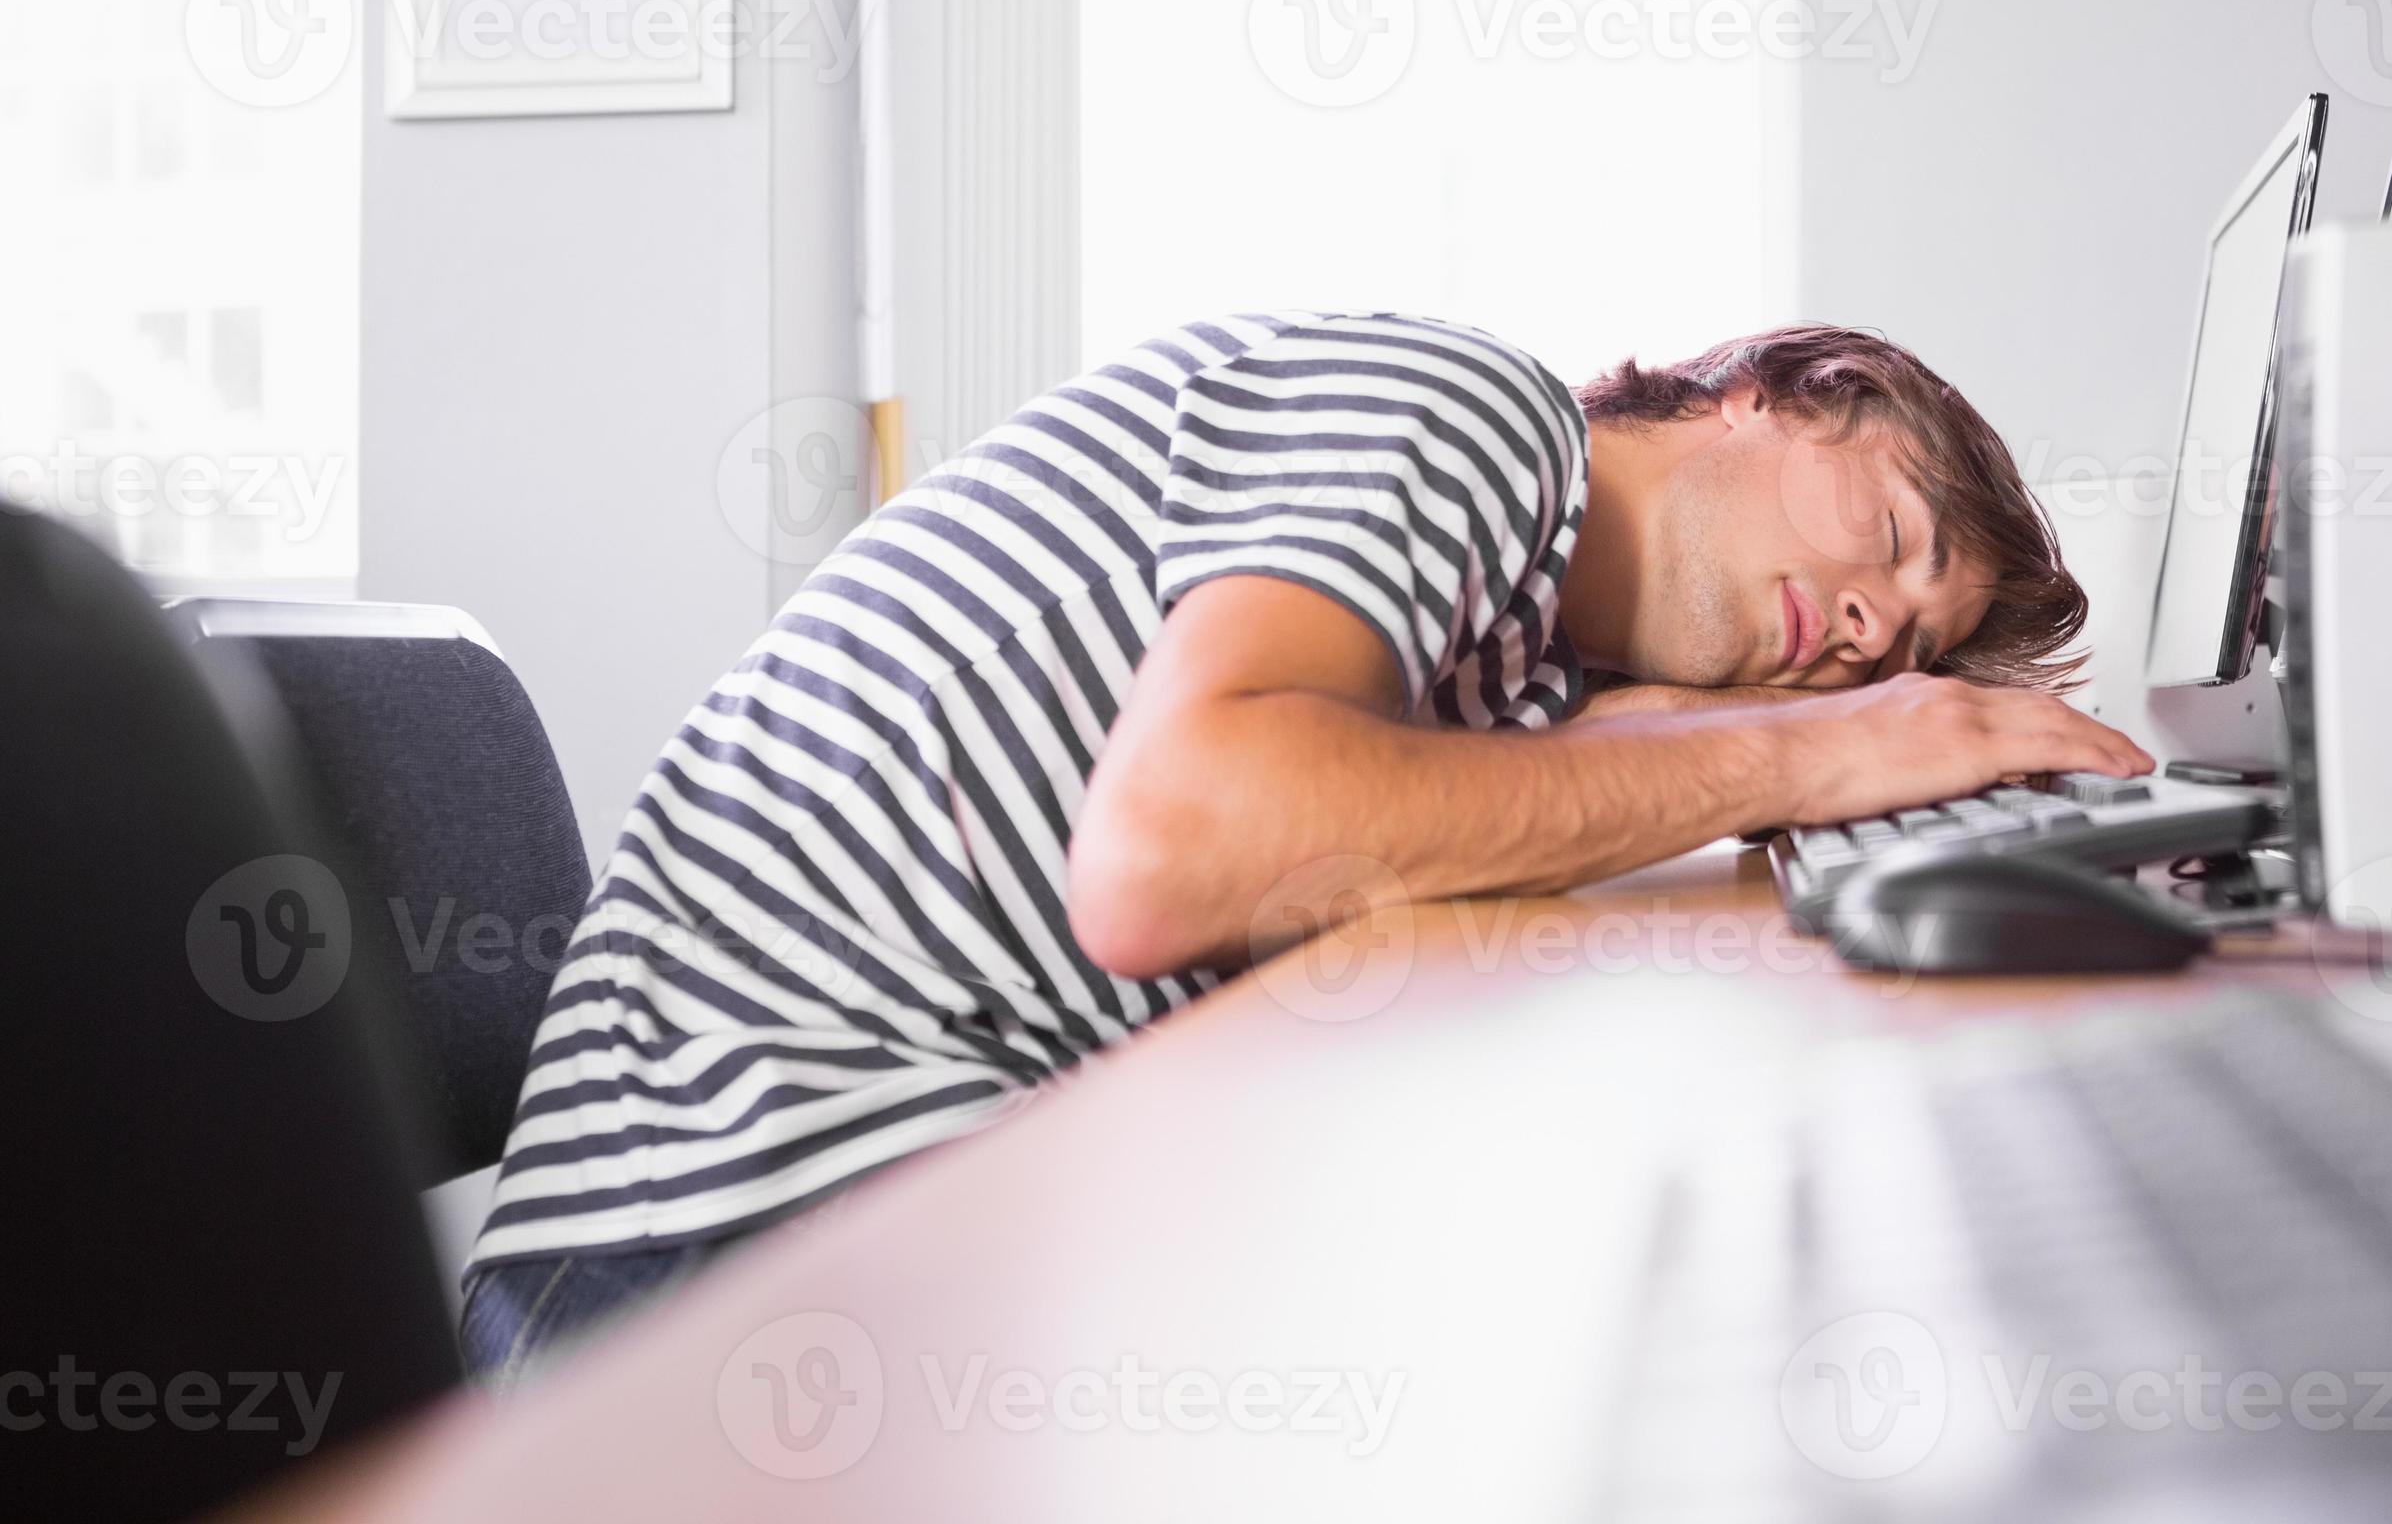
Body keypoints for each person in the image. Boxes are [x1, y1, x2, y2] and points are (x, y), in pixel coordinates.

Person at [458, 313, 2151, 1380]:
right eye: (1889, 535)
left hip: (841, 1220)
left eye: (1904, 646)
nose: (1866, 626)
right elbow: (1172, 853)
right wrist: (1815, 747)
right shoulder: (1468, 412)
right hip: (706, 1253)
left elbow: (1451, 810)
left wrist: (1762, 751)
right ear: (1762, 396)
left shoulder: (1510, 666)